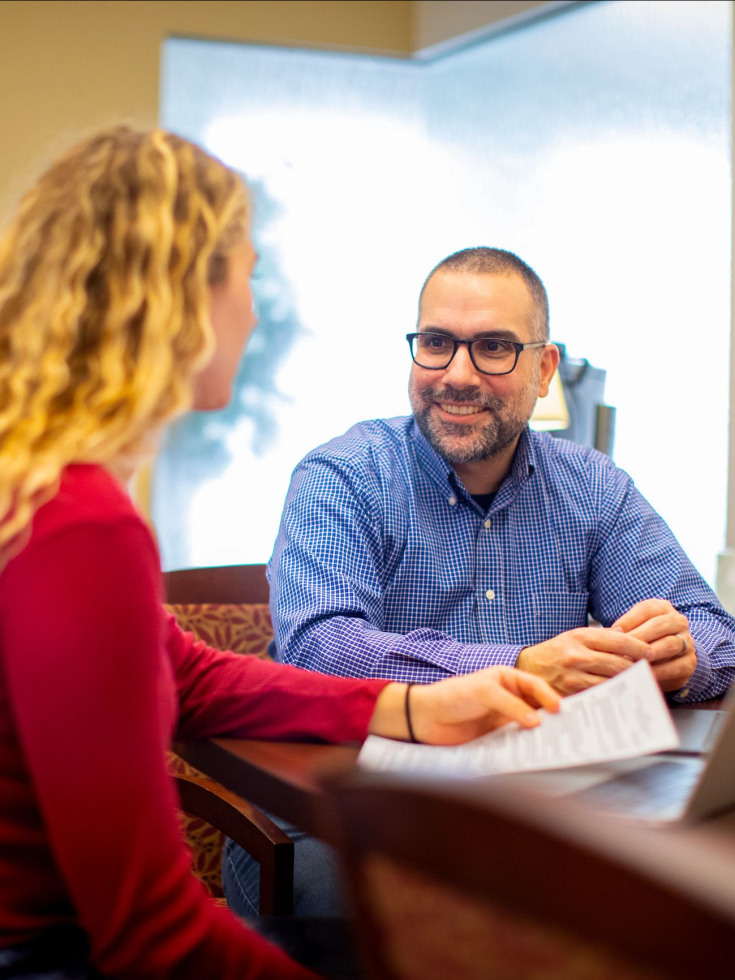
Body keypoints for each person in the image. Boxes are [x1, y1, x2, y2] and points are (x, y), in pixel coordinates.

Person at [0, 136, 561, 980]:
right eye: (246, 278)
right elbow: (153, 937)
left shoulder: (39, 487)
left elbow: (190, 676)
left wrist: (416, 707)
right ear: (181, 297)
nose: (254, 312)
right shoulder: (83, 525)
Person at [223, 245, 735, 918]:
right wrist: (520, 668)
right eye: (436, 344)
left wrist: (682, 654)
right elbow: (321, 649)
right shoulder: (340, 477)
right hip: (344, 808)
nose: (456, 374)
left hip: (548, 804)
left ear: (544, 368)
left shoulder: (595, 488)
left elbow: (714, 634)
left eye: (493, 347)